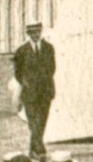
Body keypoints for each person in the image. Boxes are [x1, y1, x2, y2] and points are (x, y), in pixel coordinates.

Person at [12, 22, 58, 154]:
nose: (36, 35)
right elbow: (18, 72)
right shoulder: (22, 51)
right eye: (33, 33)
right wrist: (28, 82)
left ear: (41, 32)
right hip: (29, 91)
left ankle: (34, 148)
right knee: (33, 120)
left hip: (45, 90)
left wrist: (43, 81)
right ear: (28, 34)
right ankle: (39, 147)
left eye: (38, 32)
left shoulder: (49, 48)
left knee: (42, 119)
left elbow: (52, 68)